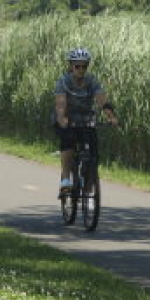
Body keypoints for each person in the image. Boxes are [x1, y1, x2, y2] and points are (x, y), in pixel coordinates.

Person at [54, 47, 118, 197]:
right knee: (68, 143)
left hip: (86, 120)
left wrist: (111, 117)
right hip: (67, 119)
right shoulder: (64, 82)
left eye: (84, 66)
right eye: (77, 66)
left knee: (94, 155)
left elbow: (102, 101)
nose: (81, 69)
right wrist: (62, 118)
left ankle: (89, 189)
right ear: (71, 66)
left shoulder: (91, 81)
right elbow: (60, 103)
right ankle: (65, 180)